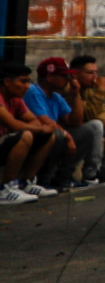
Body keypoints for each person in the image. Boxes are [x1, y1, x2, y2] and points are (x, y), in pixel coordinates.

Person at [1, 62, 61, 202]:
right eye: (23, 81)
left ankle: (26, 182)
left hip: (4, 140)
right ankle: (4, 189)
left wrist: (40, 128)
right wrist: (39, 128)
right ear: (7, 82)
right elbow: (14, 125)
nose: (27, 86)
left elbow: (34, 121)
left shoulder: (16, 99)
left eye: (28, 81)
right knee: (26, 135)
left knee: (48, 136)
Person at [67, 56, 105, 185]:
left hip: (86, 128)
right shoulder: (70, 89)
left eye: (96, 72)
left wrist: (99, 114)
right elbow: (88, 115)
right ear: (76, 74)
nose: (95, 77)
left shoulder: (89, 89)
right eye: (89, 73)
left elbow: (104, 112)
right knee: (96, 125)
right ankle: (90, 173)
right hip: (70, 132)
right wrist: (101, 90)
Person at [27, 58, 84, 189]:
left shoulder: (56, 97)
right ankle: (43, 179)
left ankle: (63, 177)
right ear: (50, 77)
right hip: (36, 136)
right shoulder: (33, 91)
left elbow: (76, 123)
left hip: (50, 135)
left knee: (91, 129)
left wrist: (76, 95)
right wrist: (68, 136)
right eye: (65, 76)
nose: (69, 80)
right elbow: (45, 122)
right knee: (57, 134)